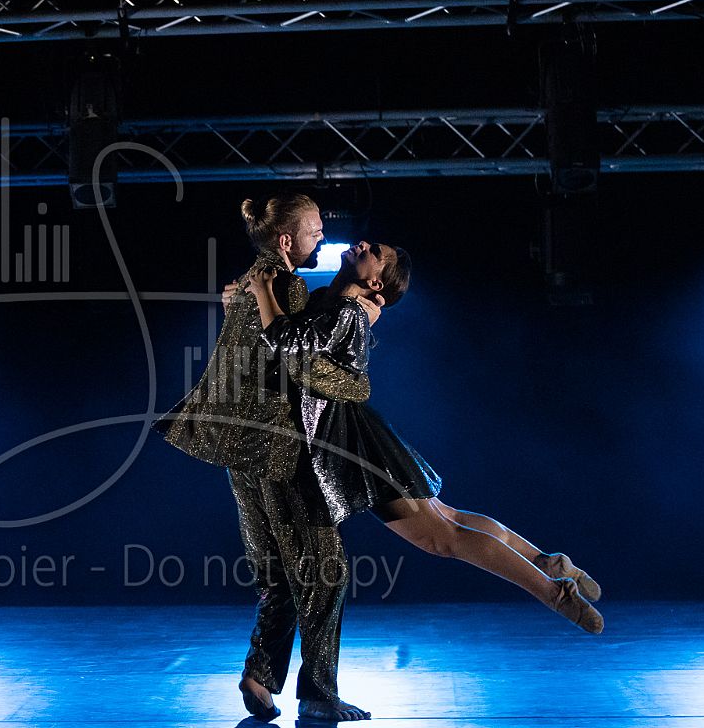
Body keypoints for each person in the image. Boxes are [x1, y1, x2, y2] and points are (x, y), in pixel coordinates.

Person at [243, 240, 605, 636]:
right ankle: (546, 562)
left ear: (376, 283)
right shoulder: (333, 302)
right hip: (356, 433)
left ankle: (555, 592)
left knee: (442, 538)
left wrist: (261, 291)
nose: (362, 244)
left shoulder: (349, 310)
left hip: (349, 439)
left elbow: (286, 341)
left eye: (374, 251)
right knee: (449, 518)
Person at [155, 193, 379, 724]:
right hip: (278, 451)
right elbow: (299, 363)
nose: (321, 238)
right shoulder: (286, 289)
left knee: (278, 572)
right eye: (315, 230)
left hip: (240, 451)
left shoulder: (246, 285)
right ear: (285, 240)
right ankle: (318, 693)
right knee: (325, 570)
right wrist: (358, 383)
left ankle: (260, 675)